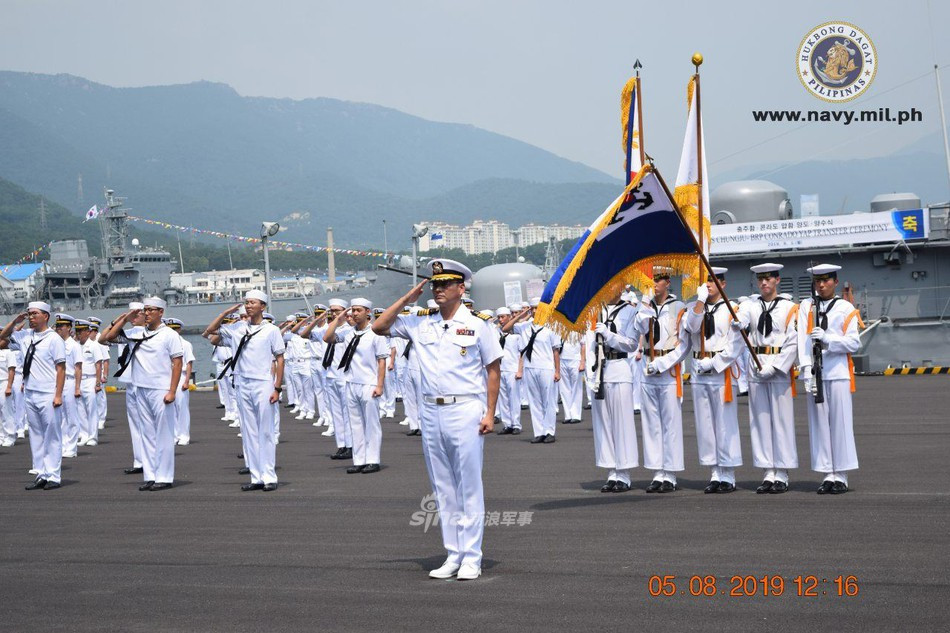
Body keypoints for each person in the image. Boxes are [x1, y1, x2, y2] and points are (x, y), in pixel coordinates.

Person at [373, 258, 502, 581]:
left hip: (465, 410)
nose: (438, 289)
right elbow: (379, 327)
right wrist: (407, 298)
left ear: (462, 288)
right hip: (431, 411)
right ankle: (453, 554)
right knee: (442, 488)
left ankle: (472, 556)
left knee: (469, 486)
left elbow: (493, 371)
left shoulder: (479, 324)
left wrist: (490, 413)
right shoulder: (420, 322)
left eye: (446, 284)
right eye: (435, 284)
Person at [99, 297, 183, 492]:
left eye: (151, 310)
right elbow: (106, 338)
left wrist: (172, 391)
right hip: (140, 388)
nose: (146, 313)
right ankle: (151, 475)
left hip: (160, 389)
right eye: (144, 310)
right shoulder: (136, 333)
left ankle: (164, 476)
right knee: (147, 434)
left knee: (163, 434)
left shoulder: (169, 335)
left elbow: (177, 363)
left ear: (161, 312)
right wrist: (125, 318)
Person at [205, 291, 285, 491]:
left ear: (263, 306)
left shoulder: (271, 330)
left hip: (263, 383)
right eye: (246, 303)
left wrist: (277, 387)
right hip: (242, 383)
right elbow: (209, 332)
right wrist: (226, 312)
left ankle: (269, 477)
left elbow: (280, 358)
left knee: (265, 431)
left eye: (253, 302)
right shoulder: (237, 328)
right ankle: (256, 477)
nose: (248, 306)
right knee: (248, 431)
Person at [797, 264, 861, 494]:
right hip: (816, 373)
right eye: (817, 281)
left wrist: (828, 339)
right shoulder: (807, 306)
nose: (821, 285)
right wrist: (805, 369)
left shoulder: (845, 308)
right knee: (820, 425)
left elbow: (854, 343)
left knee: (840, 424)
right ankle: (828, 474)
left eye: (826, 281)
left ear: (835, 281)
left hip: (838, 372)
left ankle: (842, 475)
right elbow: (801, 340)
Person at [735, 263, 799, 494]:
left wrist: (777, 367)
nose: (763, 282)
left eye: (768, 278)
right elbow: (742, 321)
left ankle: (782, 472)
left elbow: (793, 341)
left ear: (777, 280)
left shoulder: (790, 307)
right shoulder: (750, 306)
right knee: (760, 422)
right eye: (760, 279)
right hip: (756, 366)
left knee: (781, 421)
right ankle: (767, 472)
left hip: (777, 368)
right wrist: (738, 323)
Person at [684, 268, 743, 493]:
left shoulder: (732, 309)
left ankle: (728, 474)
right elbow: (691, 327)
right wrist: (699, 301)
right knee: (706, 424)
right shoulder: (696, 307)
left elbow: (736, 344)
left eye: (713, 281)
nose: (708, 285)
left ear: (723, 284)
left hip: (721, 370)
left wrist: (717, 362)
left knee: (724, 423)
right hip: (700, 369)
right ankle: (715, 472)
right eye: (706, 281)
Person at [0, 301, 67, 490]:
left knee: (52, 435)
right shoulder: (25, 336)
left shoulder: (54, 339)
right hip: (30, 392)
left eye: (34, 314)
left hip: (48, 392)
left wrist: (58, 395)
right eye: (29, 314)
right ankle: (41, 473)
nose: (31, 317)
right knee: (36, 435)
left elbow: (61, 368)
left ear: (45, 316)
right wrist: (15, 321)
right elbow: (3, 336)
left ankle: (53, 475)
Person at [635, 268, 689, 493]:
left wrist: (664, 363)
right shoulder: (644, 307)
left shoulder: (679, 308)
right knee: (652, 424)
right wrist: (645, 304)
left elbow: (685, 344)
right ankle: (657, 472)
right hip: (648, 366)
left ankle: (671, 473)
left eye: (657, 280)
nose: (654, 284)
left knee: (670, 424)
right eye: (651, 280)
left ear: (667, 282)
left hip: (668, 368)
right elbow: (638, 328)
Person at [324, 298, 388, 474]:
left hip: (369, 383)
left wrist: (380, 385)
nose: (354, 313)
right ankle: (359, 460)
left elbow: (381, 361)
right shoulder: (348, 334)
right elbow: (327, 337)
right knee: (356, 425)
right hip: (350, 383)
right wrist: (338, 319)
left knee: (371, 424)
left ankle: (373, 460)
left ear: (368, 312)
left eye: (358, 310)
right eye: (352, 310)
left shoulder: (376, 333)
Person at [590, 292, 640, 492]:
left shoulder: (629, 311)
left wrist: (609, 335)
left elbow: (632, 343)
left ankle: (624, 474)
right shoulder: (595, 311)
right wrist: (591, 375)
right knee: (604, 426)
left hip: (619, 367)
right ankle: (611, 472)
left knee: (622, 424)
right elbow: (587, 345)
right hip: (600, 371)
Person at [502, 298, 561, 443]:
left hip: (546, 367)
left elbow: (555, 351)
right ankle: (539, 432)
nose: (535, 311)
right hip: (530, 367)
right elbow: (505, 328)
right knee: (534, 401)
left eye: (538, 308)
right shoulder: (525, 326)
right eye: (533, 308)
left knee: (548, 401)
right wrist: (520, 315)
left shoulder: (552, 327)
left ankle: (549, 431)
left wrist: (557, 371)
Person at [301, 299, 352, 459]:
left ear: (345, 311)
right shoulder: (328, 330)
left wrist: (339, 318)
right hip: (330, 375)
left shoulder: (350, 330)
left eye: (338, 310)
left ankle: (351, 445)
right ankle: (341, 445)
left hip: (344, 376)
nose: (334, 313)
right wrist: (317, 319)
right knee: (336, 413)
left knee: (347, 413)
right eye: (332, 311)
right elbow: (304, 334)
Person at [106, 302, 148, 475]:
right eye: (132, 314)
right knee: (135, 426)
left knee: (147, 425)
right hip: (130, 383)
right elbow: (104, 338)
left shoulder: (145, 333)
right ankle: (139, 461)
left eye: (137, 314)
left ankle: (149, 461)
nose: (134, 317)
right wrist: (119, 320)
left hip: (144, 383)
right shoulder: (124, 331)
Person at [53, 314, 86, 459]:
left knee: (72, 417)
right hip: (59, 383)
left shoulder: (74, 346)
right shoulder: (56, 343)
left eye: (62, 326)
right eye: (58, 326)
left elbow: (78, 368)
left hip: (71, 381)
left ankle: (71, 448)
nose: (59, 328)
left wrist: (77, 387)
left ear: (68, 328)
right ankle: (63, 446)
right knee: (61, 418)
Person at [75, 320, 104, 449]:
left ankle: (93, 437)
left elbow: (98, 365)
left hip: (91, 379)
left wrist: (98, 383)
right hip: (79, 381)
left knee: (91, 410)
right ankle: (84, 434)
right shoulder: (76, 346)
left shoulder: (93, 346)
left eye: (81, 331)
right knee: (80, 410)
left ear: (88, 332)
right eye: (77, 331)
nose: (78, 334)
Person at [165, 318, 194, 445]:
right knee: (169, 407)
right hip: (167, 377)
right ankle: (174, 434)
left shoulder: (185, 344)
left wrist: (187, 381)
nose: (172, 331)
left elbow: (189, 363)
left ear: (179, 330)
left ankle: (184, 435)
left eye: (174, 329)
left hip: (181, 375)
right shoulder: (164, 343)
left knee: (181, 407)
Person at [495, 307, 523, 435]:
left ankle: (516, 424)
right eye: (499, 317)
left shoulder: (516, 335)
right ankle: (507, 424)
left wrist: (519, 370)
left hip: (512, 369)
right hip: (500, 369)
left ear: (509, 317)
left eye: (503, 317)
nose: (501, 320)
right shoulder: (495, 333)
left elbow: (521, 354)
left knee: (514, 398)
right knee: (503, 399)